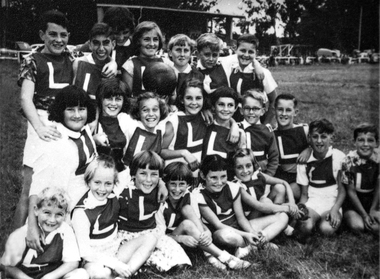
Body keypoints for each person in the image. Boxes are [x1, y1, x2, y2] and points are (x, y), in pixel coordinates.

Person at [13, 10, 114, 229]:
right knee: (31, 188)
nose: (58, 40)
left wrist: (114, 62)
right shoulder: (32, 61)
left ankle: (54, 237)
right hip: (41, 123)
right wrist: (39, 127)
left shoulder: (71, 57)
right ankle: (15, 245)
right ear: (42, 35)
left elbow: (98, 48)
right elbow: (25, 98)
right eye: (53, 34)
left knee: (62, 184)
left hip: (66, 124)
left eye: (64, 35)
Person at [26, 85, 97, 253]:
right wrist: (31, 225)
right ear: (60, 111)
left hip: (86, 201)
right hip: (62, 212)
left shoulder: (84, 129)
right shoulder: (55, 141)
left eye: (82, 109)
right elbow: (37, 186)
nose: (77, 115)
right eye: (70, 110)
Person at [157, 162, 251, 270]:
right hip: (168, 241)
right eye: (173, 184)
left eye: (181, 184)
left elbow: (198, 222)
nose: (177, 189)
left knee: (187, 211)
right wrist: (180, 238)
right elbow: (158, 237)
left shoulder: (189, 196)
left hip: (192, 241)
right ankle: (222, 257)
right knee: (186, 224)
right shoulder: (161, 202)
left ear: (187, 184)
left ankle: (212, 255)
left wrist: (207, 232)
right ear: (166, 184)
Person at [117, 151, 191, 273]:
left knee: (180, 261)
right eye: (143, 174)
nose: (148, 180)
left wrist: (161, 183)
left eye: (154, 175)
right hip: (128, 235)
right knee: (146, 256)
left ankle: (149, 264)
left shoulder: (159, 190)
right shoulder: (123, 190)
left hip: (151, 232)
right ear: (134, 173)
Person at [1, 187, 87, 279]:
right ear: (36, 210)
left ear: (65, 214)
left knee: (81, 274)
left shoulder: (65, 230)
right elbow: (5, 265)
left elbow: (72, 262)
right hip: (25, 275)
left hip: (52, 275)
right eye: (47, 212)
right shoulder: (24, 232)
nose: (52, 220)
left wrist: (49, 277)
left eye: (59, 214)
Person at [71, 155, 131, 279]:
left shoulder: (114, 193)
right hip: (94, 257)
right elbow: (85, 252)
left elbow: (129, 172)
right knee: (100, 273)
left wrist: (162, 183)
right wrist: (114, 264)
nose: (102, 189)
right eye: (97, 182)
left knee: (149, 239)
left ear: (114, 183)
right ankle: (118, 273)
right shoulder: (82, 212)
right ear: (88, 182)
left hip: (115, 248)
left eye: (108, 183)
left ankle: (123, 273)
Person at [193, 154, 263, 259]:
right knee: (225, 235)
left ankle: (250, 245)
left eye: (223, 176)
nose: (219, 182)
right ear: (203, 176)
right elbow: (218, 225)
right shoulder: (198, 195)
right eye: (213, 178)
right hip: (221, 232)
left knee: (282, 217)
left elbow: (241, 218)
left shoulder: (232, 187)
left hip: (238, 229)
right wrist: (246, 235)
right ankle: (254, 245)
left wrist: (251, 232)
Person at [233, 148, 301, 237]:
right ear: (234, 168)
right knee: (264, 200)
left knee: (279, 188)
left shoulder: (257, 175)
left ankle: (280, 226)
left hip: (265, 210)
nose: (245, 171)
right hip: (250, 220)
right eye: (239, 167)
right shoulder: (237, 185)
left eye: (248, 165)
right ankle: (283, 225)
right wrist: (287, 208)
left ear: (253, 165)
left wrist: (292, 202)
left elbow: (284, 182)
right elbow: (259, 206)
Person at [296, 119, 346, 237]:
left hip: (332, 202)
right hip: (313, 202)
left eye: (323, 137)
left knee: (326, 230)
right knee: (305, 227)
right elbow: (304, 194)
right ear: (309, 138)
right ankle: (312, 223)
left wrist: (335, 209)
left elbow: (342, 190)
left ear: (331, 138)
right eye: (315, 137)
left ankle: (330, 221)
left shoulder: (339, 158)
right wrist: (300, 209)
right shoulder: (304, 161)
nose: (319, 141)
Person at [228, 34, 278, 126]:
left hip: (257, 121)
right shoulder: (231, 69)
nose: (246, 55)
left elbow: (274, 100)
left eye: (250, 52)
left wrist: (266, 124)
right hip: (235, 121)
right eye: (242, 50)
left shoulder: (263, 73)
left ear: (256, 53)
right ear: (235, 49)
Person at [196, 33, 264, 97]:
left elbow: (243, 56)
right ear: (198, 54)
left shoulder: (223, 63)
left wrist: (256, 64)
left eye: (214, 55)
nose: (211, 59)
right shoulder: (193, 70)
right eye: (207, 55)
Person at [341, 123, 379, 235]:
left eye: (370, 140)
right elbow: (350, 192)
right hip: (353, 202)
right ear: (354, 142)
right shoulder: (347, 161)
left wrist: (373, 209)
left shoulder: (378, 160)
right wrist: (364, 215)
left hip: (373, 201)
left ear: (376, 143)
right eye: (361, 140)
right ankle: (355, 217)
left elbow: (378, 187)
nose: (365, 144)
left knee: (376, 229)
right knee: (357, 226)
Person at [201, 87, 245, 178]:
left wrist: (234, 125)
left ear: (236, 108)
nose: (225, 109)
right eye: (221, 104)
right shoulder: (205, 123)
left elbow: (241, 161)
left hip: (225, 180)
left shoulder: (239, 134)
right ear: (213, 106)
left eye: (230, 105)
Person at [273, 94, 309, 201]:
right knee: (279, 190)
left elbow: (322, 144)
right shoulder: (271, 134)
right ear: (274, 110)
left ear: (295, 112)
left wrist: (309, 148)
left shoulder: (304, 130)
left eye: (288, 110)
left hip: (301, 180)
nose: (284, 114)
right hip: (281, 177)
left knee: (289, 190)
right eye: (280, 109)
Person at [77, 6, 135, 73]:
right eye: (116, 33)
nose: (121, 37)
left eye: (125, 32)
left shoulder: (136, 47)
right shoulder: (93, 45)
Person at [121, 21, 171, 97]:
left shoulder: (166, 63)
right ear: (138, 41)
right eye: (146, 39)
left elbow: (172, 95)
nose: (151, 44)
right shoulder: (130, 65)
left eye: (155, 39)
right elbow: (127, 96)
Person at [238, 90, 279, 177]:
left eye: (256, 108)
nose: (251, 112)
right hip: (240, 177)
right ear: (241, 110)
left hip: (261, 177)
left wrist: (268, 177)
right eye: (247, 108)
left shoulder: (267, 131)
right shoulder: (236, 129)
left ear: (263, 111)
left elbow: (274, 157)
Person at [121, 92, 168, 167]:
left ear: (160, 111)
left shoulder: (160, 129)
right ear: (138, 112)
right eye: (145, 110)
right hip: (126, 172)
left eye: (155, 109)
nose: (151, 114)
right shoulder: (132, 125)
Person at [93, 78, 129, 173]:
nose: (113, 103)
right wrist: (93, 140)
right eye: (109, 98)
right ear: (101, 99)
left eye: (118, 99)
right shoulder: (92, 121)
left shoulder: (126, 119)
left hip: (121, 173)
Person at [73, 23, 116, 100]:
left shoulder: (113, 68)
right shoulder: (79, 63)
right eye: (96, 43)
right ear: (90, 45)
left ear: (113, 44)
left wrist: (113, 62)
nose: (101, 48)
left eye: (106, 43)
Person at [167, 34, 204, 104]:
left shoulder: (198, 75)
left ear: (190, 54)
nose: (182, 54)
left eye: (186, 50)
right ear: (170, 53)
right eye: (178, 50)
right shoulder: (165, 75)